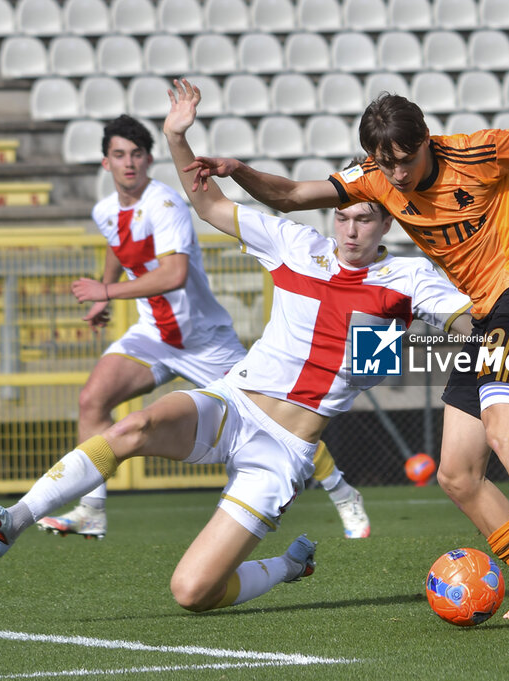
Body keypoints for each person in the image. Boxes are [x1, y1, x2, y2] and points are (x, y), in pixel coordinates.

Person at [183, 91, 509, 619]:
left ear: (425, 142)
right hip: (485, 320)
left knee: (504, 426)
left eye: (405, 161)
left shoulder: (477, 153)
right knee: (457, 475)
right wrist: (239, 170)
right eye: (385, 164)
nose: (396, 175)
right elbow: (293, 194)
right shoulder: (374, 177)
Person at [0, 81, 474, 613]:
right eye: (343, 216)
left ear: (387, 219)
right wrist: (177, 137)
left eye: (365, 218)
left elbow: (464, 321)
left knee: (192, 593)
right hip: (234, 403)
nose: (351, 228)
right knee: (132, 426)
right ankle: (11, 520)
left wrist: (470, 351)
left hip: (283, 453)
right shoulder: (297, 245)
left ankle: (289, 565)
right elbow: (209, 203)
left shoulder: (407, 277)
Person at [37, 114, 370, 542]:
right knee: (91, 400)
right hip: (153, 335)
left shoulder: (166, 205)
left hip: (205, 341)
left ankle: (342, 493)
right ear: (106, 163)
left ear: (149, 159)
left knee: (278, 420)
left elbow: (173, 275)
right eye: (119, 155)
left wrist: (105, 291)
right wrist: (108, 290)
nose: (129, 163)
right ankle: (91, 510)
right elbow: (118, 246)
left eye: (137, 154)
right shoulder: (105, 210)